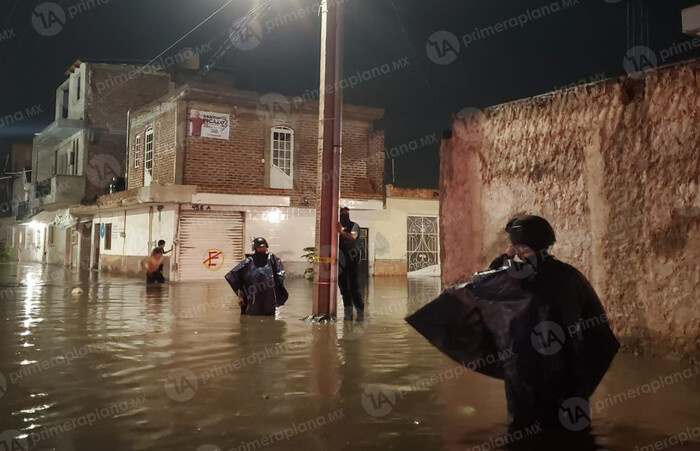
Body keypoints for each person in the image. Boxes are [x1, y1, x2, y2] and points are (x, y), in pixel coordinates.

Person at [407, 215, 619, 433]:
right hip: (567, 374)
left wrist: (502, 260)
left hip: (524, 375)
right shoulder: (571, 276)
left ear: (518, 246)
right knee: (571, 434)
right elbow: (598, 330)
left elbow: (478, 286)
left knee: (525, 431)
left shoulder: (511, 280)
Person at [224, 237, 286, 316]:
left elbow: (279, 276)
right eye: (259, 247)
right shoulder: (248, 262)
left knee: (269, 318)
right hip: (252, 297)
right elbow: (239, 280)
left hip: (269, 297)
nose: (261, 249)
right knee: (251, 318)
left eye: (263, 247)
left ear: (266, 247)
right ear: (255, 248)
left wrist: (278, 293)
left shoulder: (272, 260)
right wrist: (239, 297)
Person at [337, 207, 364, 321]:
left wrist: (340, 232)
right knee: (343, 289)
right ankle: (348, 314)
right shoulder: (336, 225)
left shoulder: (354, 225)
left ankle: (360, 314)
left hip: (352, 261)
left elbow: (353, 237)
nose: (345, 214)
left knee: (354, 288)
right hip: (340, 262)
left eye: (346, 212)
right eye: (342, 212)